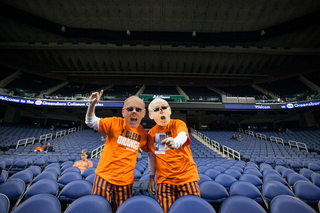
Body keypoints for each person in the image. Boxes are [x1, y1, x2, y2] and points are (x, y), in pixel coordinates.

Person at [85, 90, 148, 211]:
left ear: (143, 113)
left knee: (122, 210)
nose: (134, 111)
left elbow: (153, 152)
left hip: (126, 182)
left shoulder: (143, 135)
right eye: (130, 109)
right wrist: (92, 104)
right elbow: (90, 122)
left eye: (138, 109)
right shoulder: (114, 123)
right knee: (99, 209)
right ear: (123, 112)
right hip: (104, 177)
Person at [147, 98, 200, 213]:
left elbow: (183, 136)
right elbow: (153, 156)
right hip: (164, 180)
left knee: (191, 210)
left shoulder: (178, 124)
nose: (161, 111)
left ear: (170, 110)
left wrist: (175, 143)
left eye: (164, 107)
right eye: (156, 109)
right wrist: (152, 178)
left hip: (187, 178)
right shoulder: (152, 133)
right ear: (151, 115)